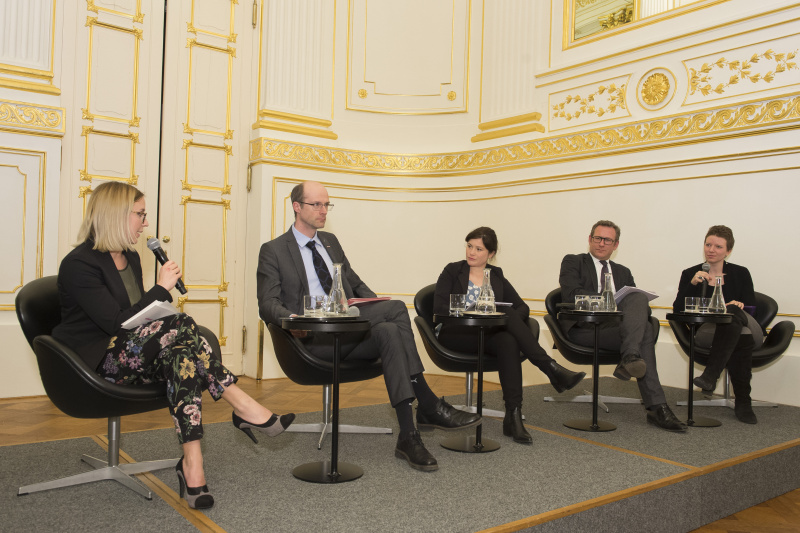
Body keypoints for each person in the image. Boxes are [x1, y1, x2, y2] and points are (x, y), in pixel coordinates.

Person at [52, 182, 294, 510]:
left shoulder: (131, 258)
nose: (145, 224)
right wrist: (162, 289)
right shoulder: (79, 264)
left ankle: (193, 467)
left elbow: (140, 320)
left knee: (183, 357)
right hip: (97, 364)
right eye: (140, 214)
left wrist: (158, 306)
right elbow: (116, 324)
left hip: (134, 353)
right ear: (115, 215)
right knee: (180, 323)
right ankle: (241, 404)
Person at [257, 181, 481, 472]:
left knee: (389, 327)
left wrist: (377, 305)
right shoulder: (274, 250)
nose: (324, 210)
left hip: (349, 331)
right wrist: (294, 320)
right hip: (314, 339)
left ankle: (409, 437)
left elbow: (355, 283)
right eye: (317, 204)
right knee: (398, 310)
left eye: (327, 204)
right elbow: (267, 303)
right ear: (296, 206)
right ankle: (426, 403)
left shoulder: (330, 242)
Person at [433, 227, 586, 444]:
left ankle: (513, 415)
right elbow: (439, 307)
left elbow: (522, 308)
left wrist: (498, 314)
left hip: (489, 336)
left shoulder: (496, 275)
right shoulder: (452, 270)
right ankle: (550, 367)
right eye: (469, 246)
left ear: (491, 254)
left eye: (478, 248)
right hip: (456, 334)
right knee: (503, 313)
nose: (471, 252)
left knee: (508, 339)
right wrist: (481, 308)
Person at [558, 220, 686, 432]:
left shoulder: (623, 272)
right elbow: (571, 295)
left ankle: (630, 357)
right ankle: (657, 407)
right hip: (584, 330)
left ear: (615, 245)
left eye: (607, 240)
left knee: (638, 301)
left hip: (615, 331)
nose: (601, 244)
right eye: (597, 238)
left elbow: (639, 310)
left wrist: (630, 301)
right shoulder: (573, 261)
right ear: (590, 240)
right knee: (644, 329)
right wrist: (610, 299)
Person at [672, 225, 759, 424]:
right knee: (740, 336)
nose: (711, 250)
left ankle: (711, 375)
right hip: (708, 331)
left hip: (746, 324)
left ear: (728, 251)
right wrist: (692, 285)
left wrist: (738, 307)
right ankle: (744, 401)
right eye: (708, 244)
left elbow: (754, 310)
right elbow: (678, 310)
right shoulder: (691, 274)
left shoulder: (741, 273)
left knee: (734, 313)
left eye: (718, 247)